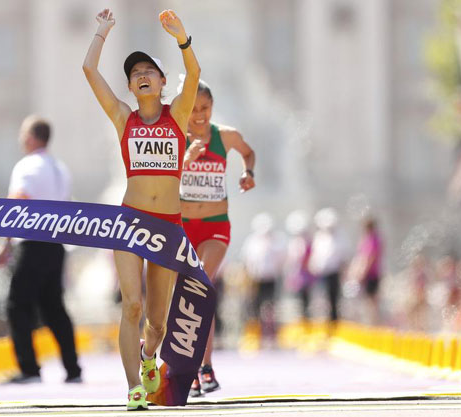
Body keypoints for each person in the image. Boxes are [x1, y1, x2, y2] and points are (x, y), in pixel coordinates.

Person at [82, 8, 200, 411]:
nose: (142, 75)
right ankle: (134, 386)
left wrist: (182, 38)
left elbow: (195, 75)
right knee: (130, 305)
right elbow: (89, 70)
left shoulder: (178, 116)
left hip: (167, 226)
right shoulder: (122, 118)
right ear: (131, 87)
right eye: (135, 73)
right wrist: (102, 31)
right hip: (129, 223)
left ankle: (150, 358)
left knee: (158, 321)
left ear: (163, 82)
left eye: (150, 70)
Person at [0, 116, 82, 384]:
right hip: (56, 244)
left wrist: (4, 242)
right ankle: (72, 368)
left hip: (32, 243)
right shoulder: (60, 167)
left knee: (18, 305)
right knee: (54, 308)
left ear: (31, 137)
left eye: (22, 133)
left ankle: (29, 369)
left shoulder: (27, 166)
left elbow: (18, 201)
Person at [179, 77, 255, 397]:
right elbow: (160, 180)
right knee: (186, 295)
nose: (199, 115)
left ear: (213, 106)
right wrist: (186, 161)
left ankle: (202, 364)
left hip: (214, 226)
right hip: (182, 227)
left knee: (201, 285)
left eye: (205, 108)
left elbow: (248, 153)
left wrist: (247, 173)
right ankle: (194, 367)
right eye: (193, 109)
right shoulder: (175, 138)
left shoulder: (226, 135)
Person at [239, 213, 284, 350]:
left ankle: (271, 335)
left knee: (270, 307)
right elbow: (246, 260)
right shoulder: (251, 241)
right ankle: (254, 335)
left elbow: (281, 259)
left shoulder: (277, 240)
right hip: (255, 279)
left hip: (270, 278)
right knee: (254, 307)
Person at [308, 208, 347, 332]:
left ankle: (334, 326)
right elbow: (316, 255)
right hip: (320, 274)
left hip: (333, 273)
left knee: (334, 299)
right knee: (320, 301)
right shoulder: (319, 237)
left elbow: (343, 256)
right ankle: (322, 327)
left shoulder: (339, 237)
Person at [350, 216, 383, 324]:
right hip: (367, 273)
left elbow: (370, 258)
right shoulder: (367, 240)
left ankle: (374, 322)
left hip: (371, 273)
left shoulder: (373, 240)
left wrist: (363, 272)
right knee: (367, 299)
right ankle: (370, 322)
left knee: (372, 300)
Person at [283, 210, 314, 323]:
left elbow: (306, 259)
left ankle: (306, 319)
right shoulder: (295, 242)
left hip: (303, 275)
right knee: (297, 298)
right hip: (296, 275)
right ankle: (301, 319)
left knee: (304, 298)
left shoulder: (306, 242)